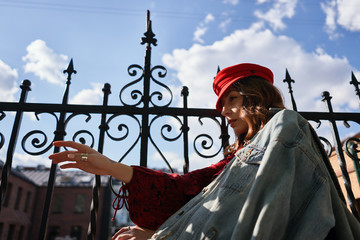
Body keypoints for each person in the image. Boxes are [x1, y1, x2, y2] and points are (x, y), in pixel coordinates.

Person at [49, 63, 360, 240]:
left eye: (232, 99)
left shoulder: (286, 125)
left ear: (256, 95)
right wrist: (111, 167)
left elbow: (266, 212)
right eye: (222, 105)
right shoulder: (235, 158)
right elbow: (190, 192)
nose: (224, 112)